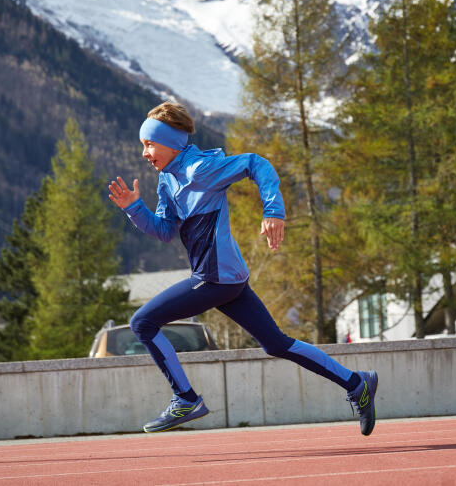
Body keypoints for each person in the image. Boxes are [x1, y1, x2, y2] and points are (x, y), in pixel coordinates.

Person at [108, 101, 378, 435]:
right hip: (226, 278)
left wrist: (273, 211)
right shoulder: (167, 180)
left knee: (142, 322)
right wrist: (134, 208)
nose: (145, 153)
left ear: (172, 141)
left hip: (215, 278)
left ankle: (186, 398)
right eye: (142, 146)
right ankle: (357, 384)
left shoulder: (199, 169)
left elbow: (255, 163)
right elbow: (164, 231)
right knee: (276, 344)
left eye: (149, 143)